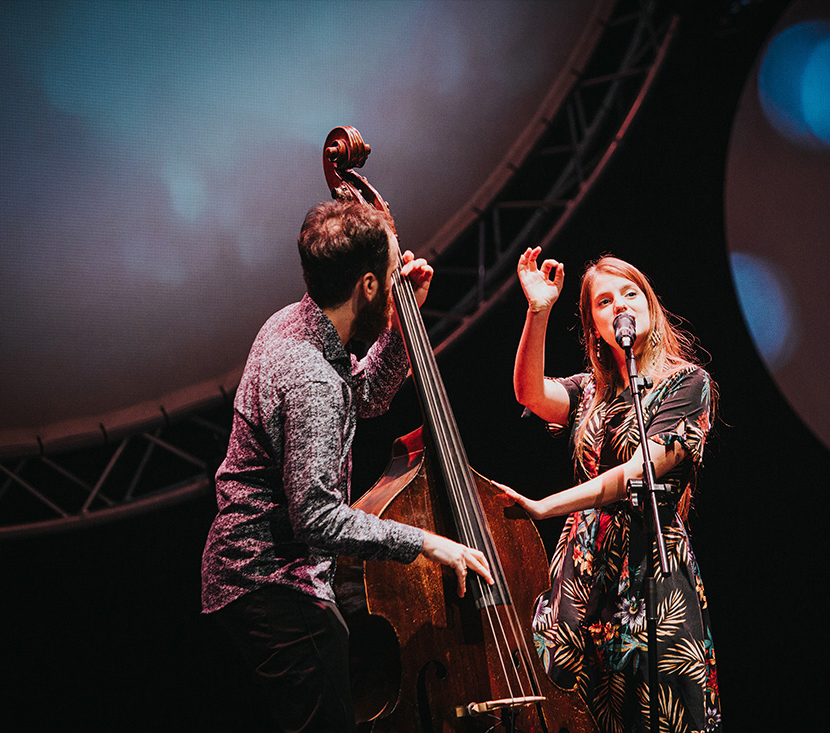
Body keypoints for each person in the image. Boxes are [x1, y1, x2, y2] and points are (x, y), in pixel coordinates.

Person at [201, 198, 493, 732]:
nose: (395, 280)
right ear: (367, 285)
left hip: (259, 575)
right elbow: (315, 517)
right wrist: (426, 542)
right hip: (272, 582)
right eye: (389, 273)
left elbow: (364, 396)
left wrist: (403, 325)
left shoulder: (295, 322)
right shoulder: (310, 377)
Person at [503, 247, 722, 732]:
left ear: (650, 304)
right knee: (570, 712)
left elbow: (637, 473)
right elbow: (530, 393)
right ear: (594, 327)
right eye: (604, 302)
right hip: (581, 574)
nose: (620, 305)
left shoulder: (687, 384)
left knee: (657, 714)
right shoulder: (589, 393)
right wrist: (538, 311)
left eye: (630, 293)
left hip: (651, 565)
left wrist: (546, 506)